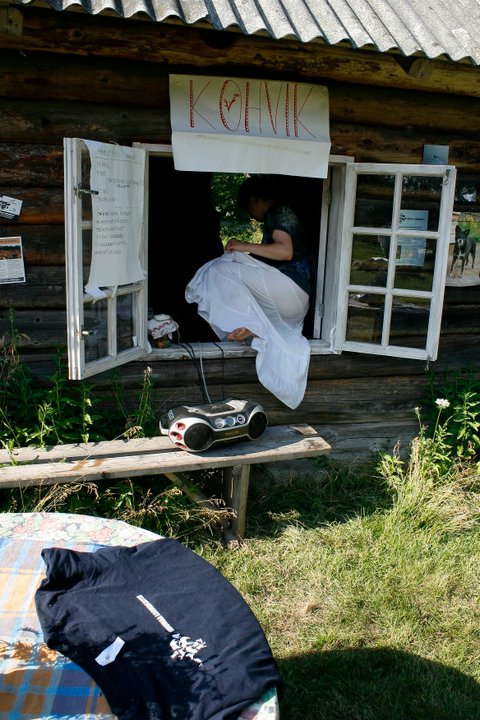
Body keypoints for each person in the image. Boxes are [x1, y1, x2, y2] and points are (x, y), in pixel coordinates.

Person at [185, 176, 312, 409]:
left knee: (218, 270)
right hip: (294, 302)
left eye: (248, 209)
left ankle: (250, 323)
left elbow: (285, 252)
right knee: (227, 267)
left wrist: (242, 246)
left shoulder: (279, 211)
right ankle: (253, 327)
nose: (251, 216)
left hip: (291, 289)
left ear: (255, 199)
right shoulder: (279, 215)